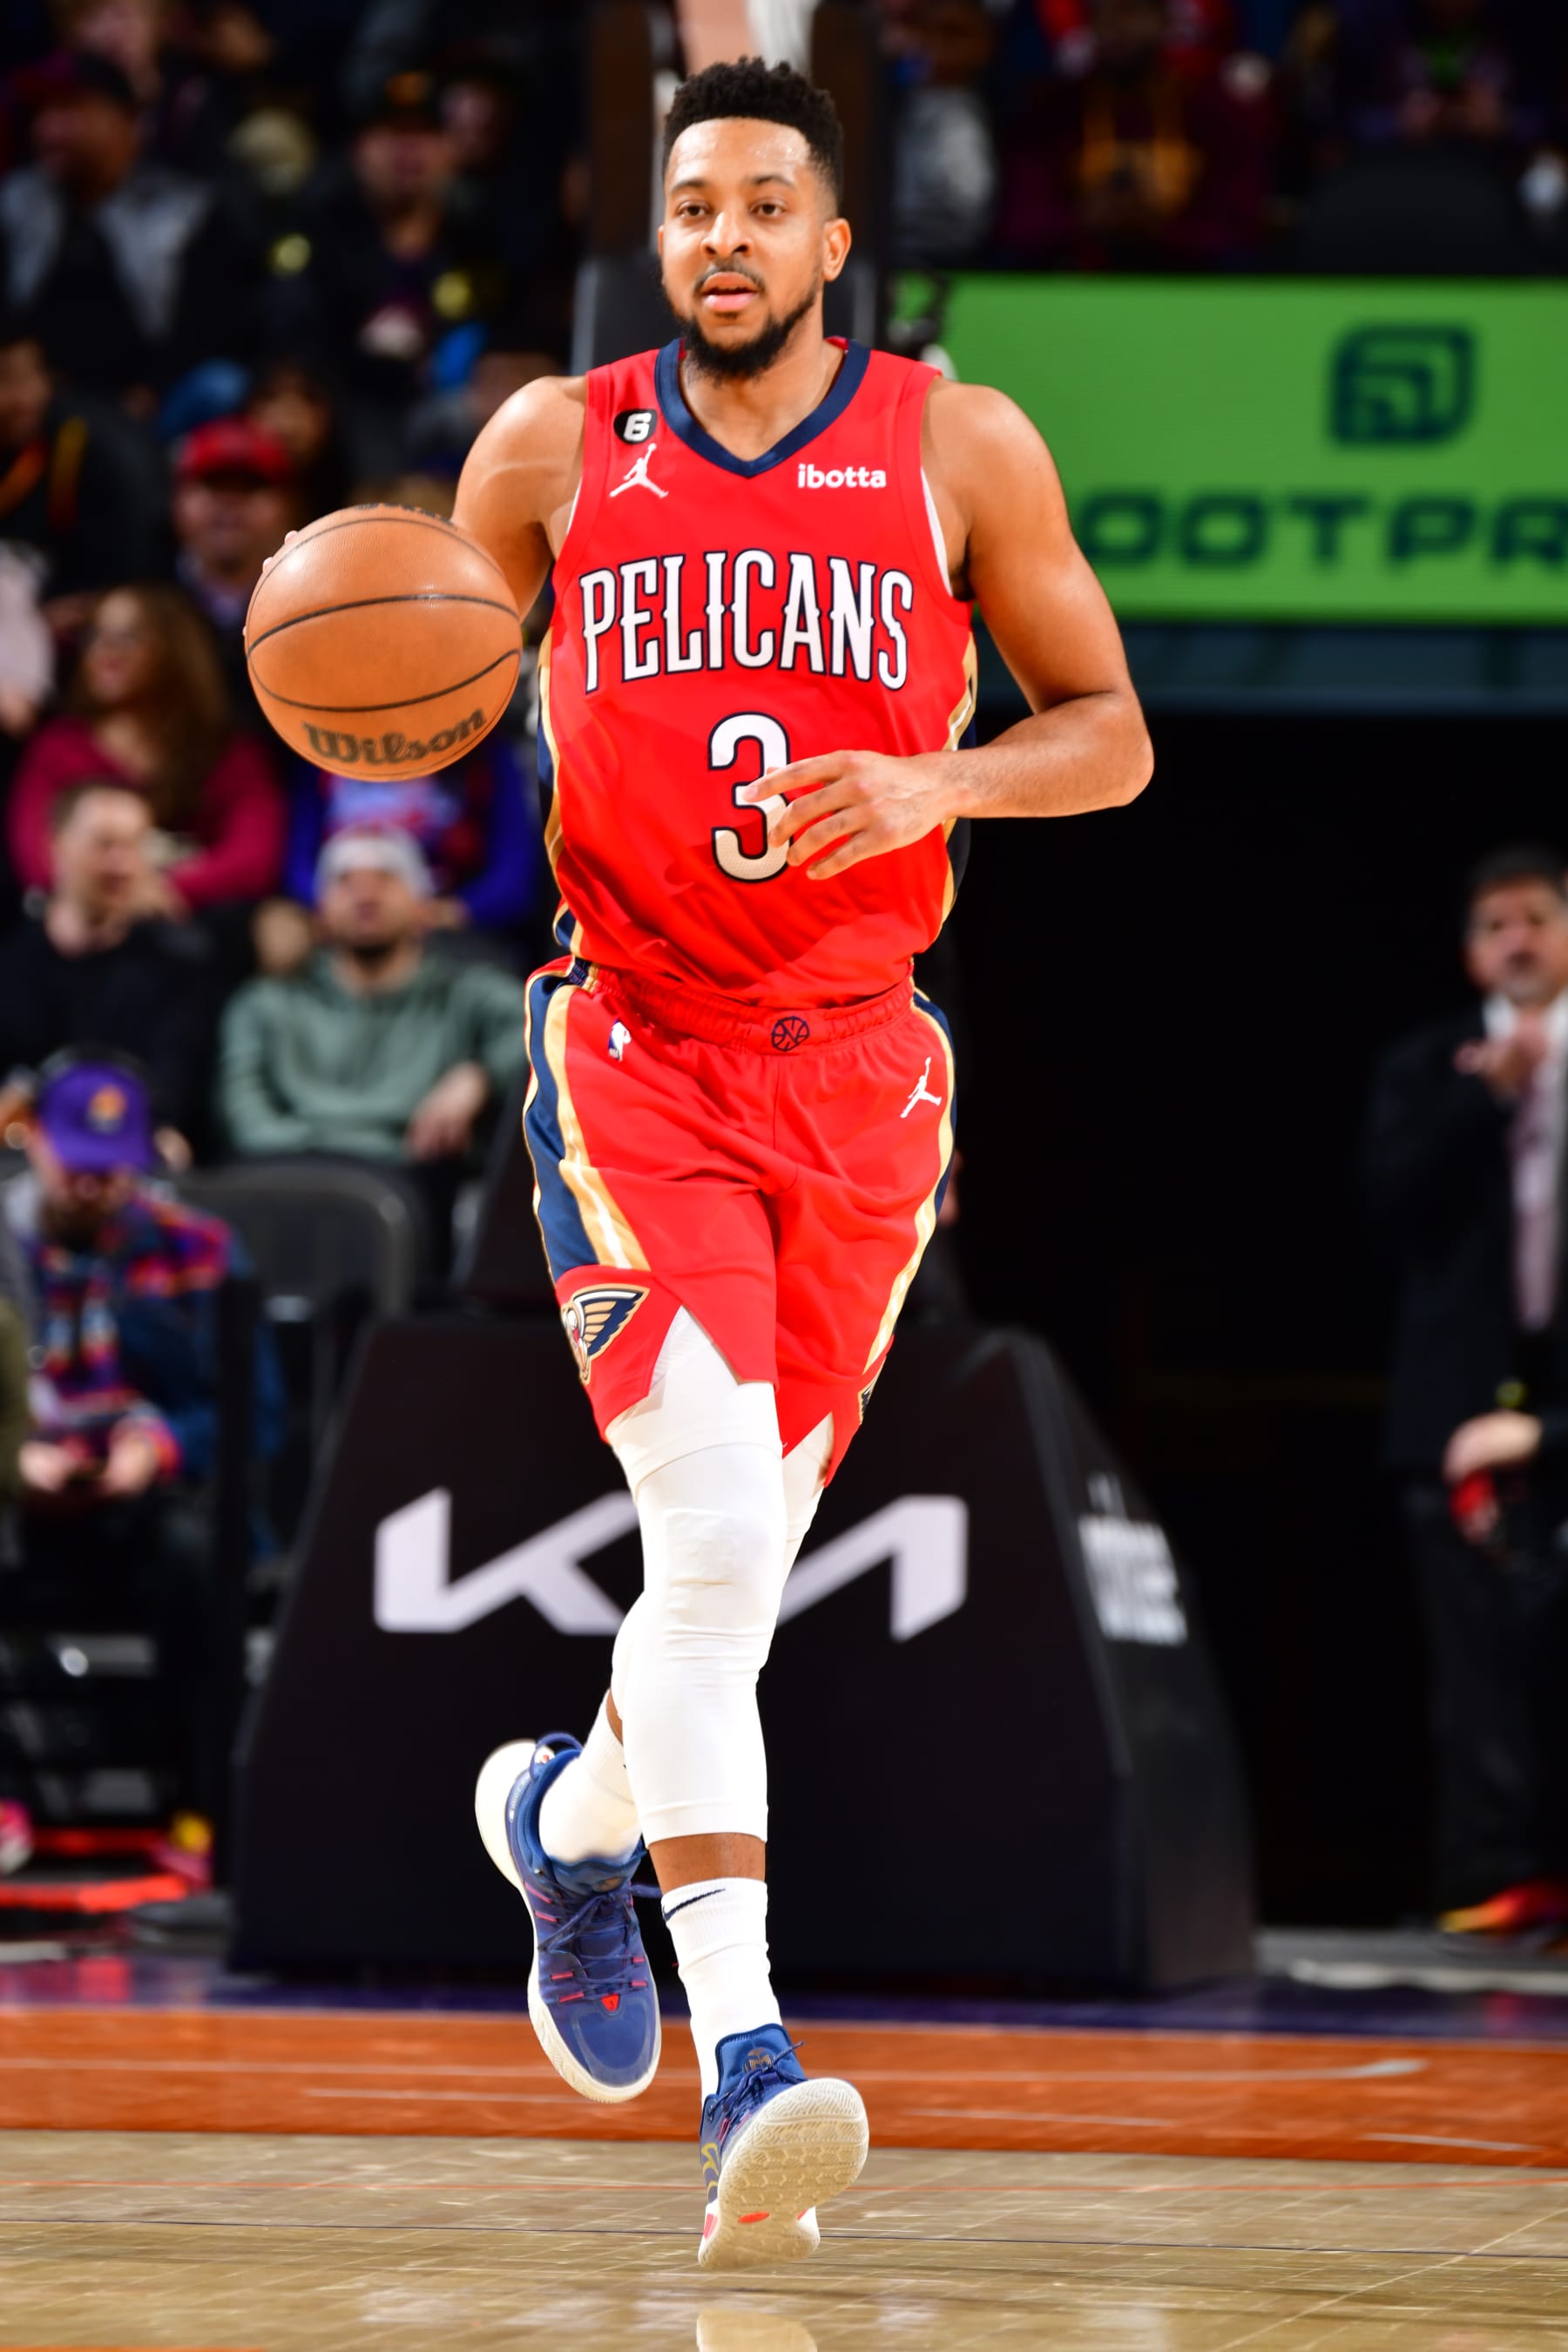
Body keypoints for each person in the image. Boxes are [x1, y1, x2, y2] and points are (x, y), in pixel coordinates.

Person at [429, 54, 1148, 2268]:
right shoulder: (555, 442)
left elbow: (1106, 733)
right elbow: (433, 693)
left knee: (718, 1587)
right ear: (661, 238)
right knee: (721, 1528)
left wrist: (933, 789)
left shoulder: (960, 440)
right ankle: (748, 2048)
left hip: (860, 1083)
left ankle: (562, 1819)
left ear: (837, 243)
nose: (724, 236)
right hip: (635, 1048)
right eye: (693, 206)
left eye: (765, 205)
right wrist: (351, 655)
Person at [1366, 844, 1568, 1936]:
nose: (1519, 941)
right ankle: (1493, 1880)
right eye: (1498, 926)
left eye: (1537, 918)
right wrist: (1484, 1104)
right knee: (1472, 1663)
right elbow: (1385, 1215)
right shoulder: (1431, 1064)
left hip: (1555, 1408)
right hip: (1449, 1414)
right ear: (1470, 952)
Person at [6, 1050, 282, 1815]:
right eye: (77, 1163)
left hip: (148, 1505)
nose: (93, 1184)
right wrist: (14, 1457)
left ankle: (198, 1814)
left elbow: (256, 1412)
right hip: (18, 1500)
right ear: (33, 1138)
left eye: (113, 1166)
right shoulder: (4, 1246)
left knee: (200, 1553)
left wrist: (158, 1445)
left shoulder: (197, 1247)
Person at [217, 826, 527, 1261]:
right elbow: (244, 1112)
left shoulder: (467, 992)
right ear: (320, 910)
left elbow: (544, 1025)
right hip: (280, 1169)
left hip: (409, 1180)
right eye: (345, 881)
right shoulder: (267, 1001)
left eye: (386, 877)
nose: (365, 894)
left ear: (423, 905)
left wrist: (479, 1075)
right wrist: (318, 1149)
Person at [7, 580, 286, 919]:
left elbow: (254, 857)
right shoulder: (60, 745)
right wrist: (109, 892)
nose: (106, 652)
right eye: (94, 636)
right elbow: (34, 853)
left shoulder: (227, 752)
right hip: (82, 925)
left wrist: (168, 890)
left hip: (192, 931)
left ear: (176, 649)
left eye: (128, 637)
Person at [0, 48, 257, 409]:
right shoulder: (16, 202)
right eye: (41, 113)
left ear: (127, 121)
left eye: (68, 110)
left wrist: (152, 391)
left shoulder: (185, 210)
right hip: (30, 406)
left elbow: (212, 330)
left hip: (156, 412)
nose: (48, 130)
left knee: (222, 386)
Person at [0, 780, 214, 1154]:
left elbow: (171, 1101)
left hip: (125, 1162)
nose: (122, 864)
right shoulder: (11, 957)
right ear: (55, 846)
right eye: (104, 844)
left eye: (134, 846)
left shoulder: (176, 966)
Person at [995, 0, 1274, 268]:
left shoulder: (1216, 110)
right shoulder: (1052, 111)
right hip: (1076, 279)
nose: (1118, 27)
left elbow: (1241, 223)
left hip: (1191, 280)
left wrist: (1158, 226)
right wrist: (1087, 220)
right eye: (1103, 15)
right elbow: (1021, 221)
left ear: (1164, 20)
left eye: (1131, 10)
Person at [281, 733, 545, 942]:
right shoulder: (318, 749)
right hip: (340, 923)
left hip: (449, 932)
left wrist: (450, 913)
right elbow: (296, 867)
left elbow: (515, 879)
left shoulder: (485, 755)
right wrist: (336, 905)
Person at [0, 314, 165, 618]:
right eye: (7, 379)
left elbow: (125, 564)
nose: (27, 396)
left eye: (32, 375)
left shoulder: (81, 448)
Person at [170, 416, 295, 713]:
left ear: (287, 505)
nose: (229, 503)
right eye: (212, 485)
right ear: (177, 500)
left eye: (250, 487)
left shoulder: (318, 604)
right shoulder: (140, 595)